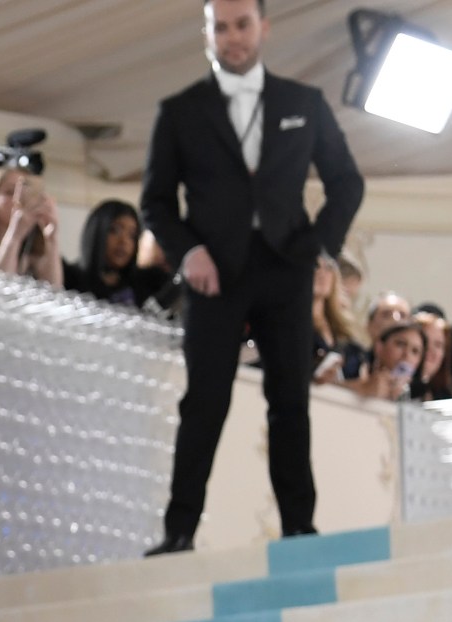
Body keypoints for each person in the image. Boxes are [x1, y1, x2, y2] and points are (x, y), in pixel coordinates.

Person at [139, 0, 364, 553]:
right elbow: (155, 203)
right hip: (215, 275)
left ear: (264, 27)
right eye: (221, 26)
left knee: (290, 400)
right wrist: (188, 251)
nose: (233, 37)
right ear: (207, 34)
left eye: (242, 25)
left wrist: (320, 250)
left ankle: (299, 531)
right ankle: (179, 533)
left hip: (286, 270)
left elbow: (347, 183)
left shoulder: (303, 102)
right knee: (204, 401)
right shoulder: (180, 111)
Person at [0, 165, 64, 287]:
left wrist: (52, 240)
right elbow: (0, 289)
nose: (17, 200)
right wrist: (15, 235)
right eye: (9, 192)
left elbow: (54, 290)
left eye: (24, 193)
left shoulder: (33, 254)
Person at [66, 198, 173, 308]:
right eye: (115, 230)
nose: (124, 241)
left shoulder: (146, 283)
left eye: (132, 235)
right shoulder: (71, 279)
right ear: (97, 232)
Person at [310, 255, 370, 380]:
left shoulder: (344, 333)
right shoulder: (286, 325)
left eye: (328, 266)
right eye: (315, 265)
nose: (322, 272)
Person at [338, 319, 421, 401]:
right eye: (400, 344)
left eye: (415, 351)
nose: (407, 354)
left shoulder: (414, 399)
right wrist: (363, 389)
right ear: (379, 347)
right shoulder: (348, 367)